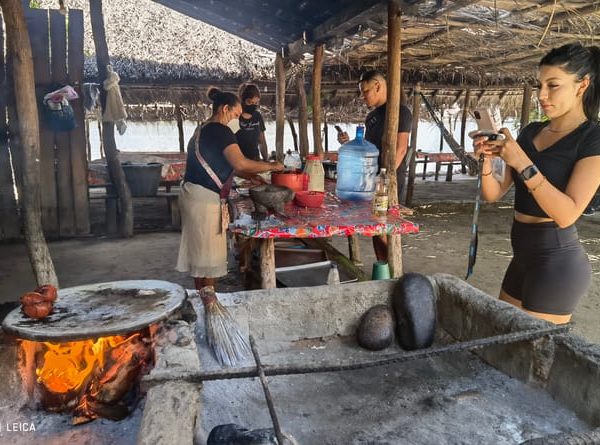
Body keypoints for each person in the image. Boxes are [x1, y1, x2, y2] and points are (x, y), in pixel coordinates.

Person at [473, 43, 600, 324]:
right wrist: (485, 158)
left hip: (557, 263)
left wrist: (521, 162)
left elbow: (567, 214)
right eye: (540, 84)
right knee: (501, 341)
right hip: (521, 258)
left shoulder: (592, 138)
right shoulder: (531, 131)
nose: (542, 95)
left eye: (553, 85)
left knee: (530, 359)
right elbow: (493, 193)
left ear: (582, 86)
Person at [176, 87, 283, 291]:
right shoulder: (220, 130)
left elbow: (222, 165)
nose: (237, 120)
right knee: (207, 259)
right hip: (203, 200)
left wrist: (252, 175)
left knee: (201, 257)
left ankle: (203, 295)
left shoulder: (203, 129)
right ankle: (208, 300)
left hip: (194, 194)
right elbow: (240, 163)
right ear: (225, 109)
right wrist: (272, 166)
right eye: (235, 115)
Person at [337, 69, 413, 261]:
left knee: (385, 227)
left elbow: (401, 149)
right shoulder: (371, 118)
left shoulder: (400, 111)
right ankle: (383, 266)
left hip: (389, 181)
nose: (362, 96)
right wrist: (349, 144)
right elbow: (367, 150)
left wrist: (384, 179)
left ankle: (393, 268)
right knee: (374, 228)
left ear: (378, 86)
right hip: (370, 181)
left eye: (365, 91)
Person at [234, 83, 269, 161]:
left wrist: (266, 161)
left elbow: (262, 141)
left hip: (255, 160)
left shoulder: (257, 116)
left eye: (256, 103)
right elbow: (231, 143)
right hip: (239, 162)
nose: (253, 105)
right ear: (242, 100)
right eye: (249, 102)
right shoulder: (235, 117)